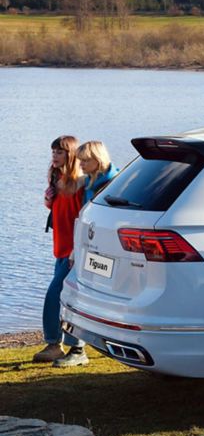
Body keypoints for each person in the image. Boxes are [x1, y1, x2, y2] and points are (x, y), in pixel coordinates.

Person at [32, 136, 89, 367]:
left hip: (74, 250)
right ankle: (61, 346)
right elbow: (56, 209)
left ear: (71, 154)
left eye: (59, 152)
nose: (54, 156)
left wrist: (79, 249)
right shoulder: (55, 176)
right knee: (65, 297)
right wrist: (48, 199)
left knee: (58, 296)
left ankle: (69, 347)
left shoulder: (81, 181)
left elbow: (84, 216)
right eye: (53, 151)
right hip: (60, 247)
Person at [77, 140, 119, 204]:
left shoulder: (115, 183)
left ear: (99, 160)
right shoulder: (89, 180)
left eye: (85, 160)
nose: (80, 164)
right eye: (80, 160)